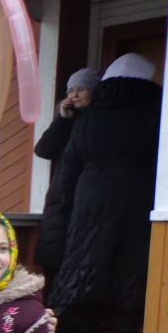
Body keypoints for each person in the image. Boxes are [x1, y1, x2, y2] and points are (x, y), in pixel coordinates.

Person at [44, 53, 162, 333]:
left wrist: (62, 211)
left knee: (80, 267)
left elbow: (67, 169)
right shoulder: (159, 114)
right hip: (140, 196)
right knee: (134, 264)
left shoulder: (88, 118)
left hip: (91, 198)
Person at [33, 68, 100, 282]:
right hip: (59, 198)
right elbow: (44, 150)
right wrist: (62, 119)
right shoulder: (65, 118)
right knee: (54, 258)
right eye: (71, 90)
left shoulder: (98, 120)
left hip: (83, 196)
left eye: (82, 89)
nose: (74, 95)